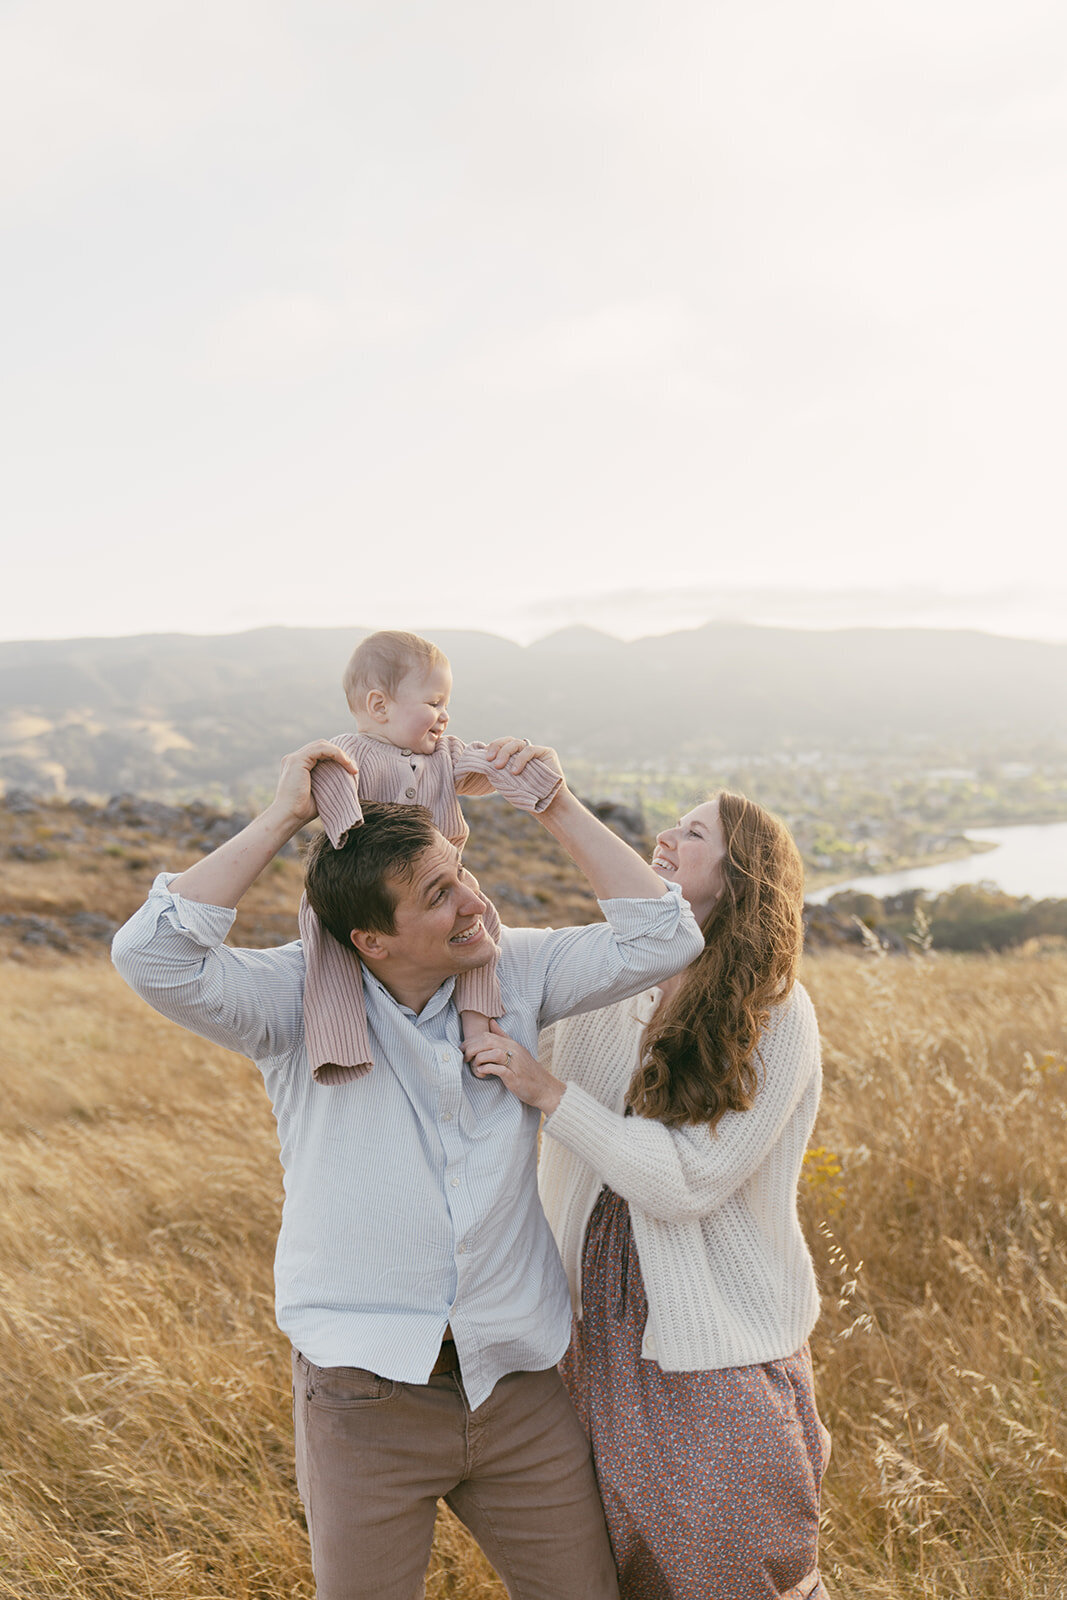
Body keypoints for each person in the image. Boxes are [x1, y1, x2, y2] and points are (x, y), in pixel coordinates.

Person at [111, 737, 704, 1600]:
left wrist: (551, 804)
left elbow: (666, 935)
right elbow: (151, 955)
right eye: (438, 895)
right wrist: (282, 815)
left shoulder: (515, 967)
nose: (475, 903)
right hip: (365, 1399)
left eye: (461, 874)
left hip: (516, 1383)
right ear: (371, 941)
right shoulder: (296, 1002)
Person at [466, 792, 831, 1600]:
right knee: (609, 1570)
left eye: (693, 832)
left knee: (730, 1558)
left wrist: (549, 1094)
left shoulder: (775, 1013)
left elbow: (688, 1181)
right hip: (584, 1329)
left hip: (714, 1338)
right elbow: (488, 972)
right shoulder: (608, 973)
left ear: (737, 877)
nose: (665, 836)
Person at [301, 628, 562, 1081]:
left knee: (483, 928)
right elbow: (328, 784)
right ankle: (340, 1047)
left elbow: (483, 769)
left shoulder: (443, 753)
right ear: (380, 706)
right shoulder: (351, 754)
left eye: (446, 704)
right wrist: (346, 832)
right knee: (328, 954)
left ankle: (477, 1023)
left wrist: (523, 767)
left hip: (445, 878)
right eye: (434, 702)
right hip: (363, 885)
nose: (444, 715)